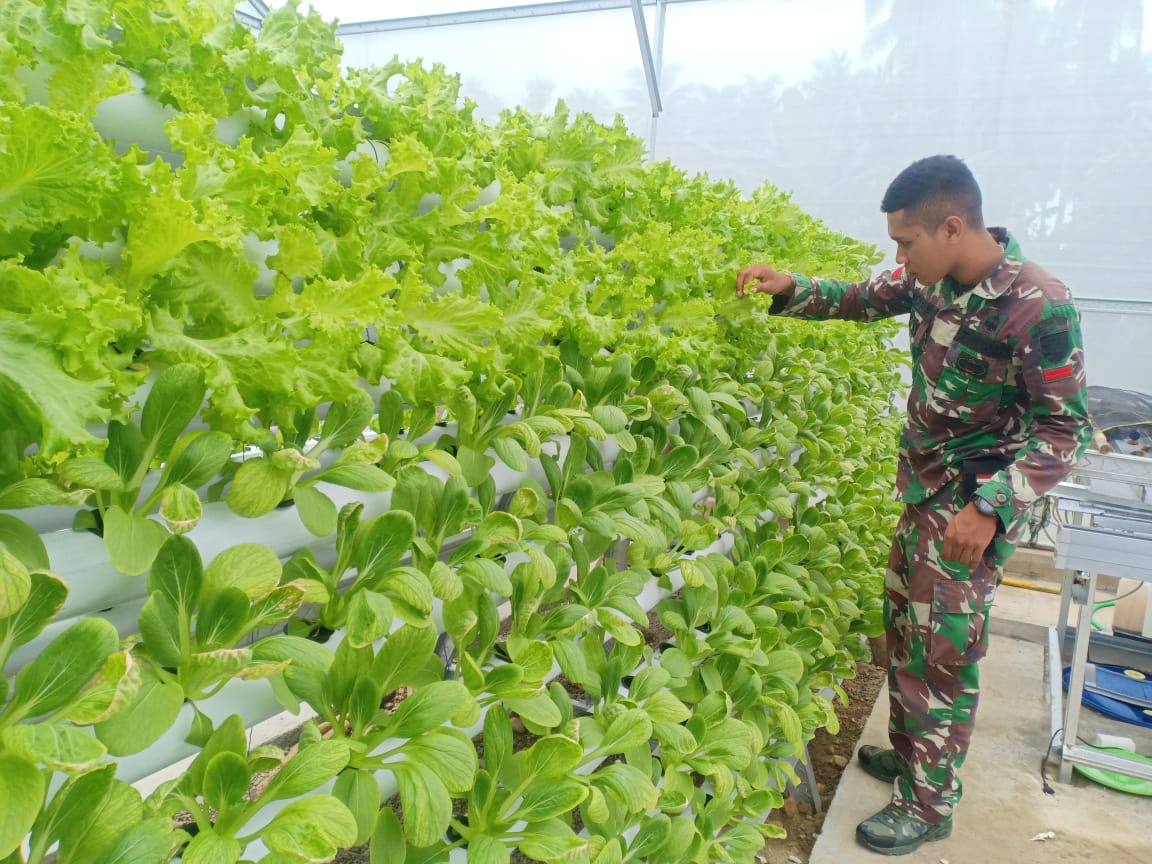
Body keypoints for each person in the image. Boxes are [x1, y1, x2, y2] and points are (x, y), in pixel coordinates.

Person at [736, 155, 1092, 856]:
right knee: (904, 630)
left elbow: (1066, 429)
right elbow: (861, 297)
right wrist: (790, 288)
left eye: (906, 242)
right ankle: (910, 754)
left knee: (942, 656)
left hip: (968, 514)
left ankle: (930, 804)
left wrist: (990, 508)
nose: (898, 257)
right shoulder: (935, 282)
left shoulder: (1037, 304)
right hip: (924, 493)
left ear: (952, 227)